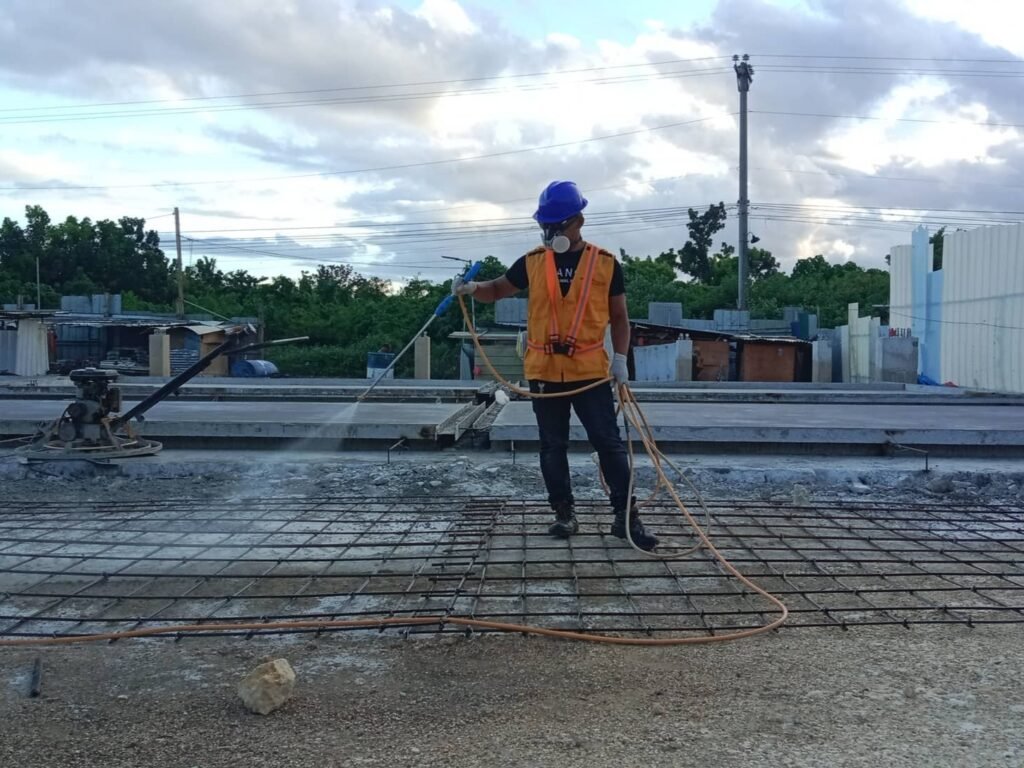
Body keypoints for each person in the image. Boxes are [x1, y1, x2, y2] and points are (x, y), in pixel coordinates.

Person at [453, 180, 659, 550]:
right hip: (544, 372)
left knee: (610, 446)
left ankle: (626, 519)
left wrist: (622, 359)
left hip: (590, 374)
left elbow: (620, 318)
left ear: (578, 221)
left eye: (556, 225)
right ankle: (564, 515)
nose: (550, 233)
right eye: (545, 225)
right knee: (552, 446)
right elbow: (498, 289)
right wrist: (472, 289)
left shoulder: (605, 264)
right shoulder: (533, 262)